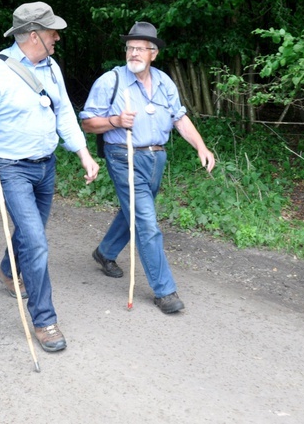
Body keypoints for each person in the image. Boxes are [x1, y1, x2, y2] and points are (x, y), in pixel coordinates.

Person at [0, 2, 99, 352]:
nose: (58, 37)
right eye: (53, 31)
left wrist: (83, 154)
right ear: (34, 35)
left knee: (29, 232)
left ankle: (8, 272)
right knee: (36, 241)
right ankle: (45, 320)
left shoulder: (51, 68)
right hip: (11, 167)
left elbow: (65, 111)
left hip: (46, 166)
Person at [80, 22, 216, 314]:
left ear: (153, 53)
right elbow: (88, 122)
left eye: (140, 48)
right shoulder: (110, 81)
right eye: (130, 47)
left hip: (156, 158)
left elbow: (179, 118)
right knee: (146, 222)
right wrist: (115, 121)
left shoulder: (165, 82)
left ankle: (105, 253)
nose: (133, 53)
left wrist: (201, 147)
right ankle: (164, 291)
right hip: (123, 156)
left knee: (135, 211)